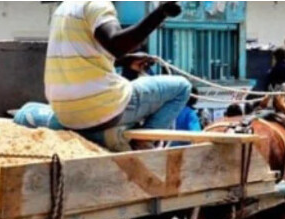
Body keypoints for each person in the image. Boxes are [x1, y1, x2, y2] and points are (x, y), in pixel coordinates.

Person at [44, 1, 191, 150]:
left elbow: (82, 57)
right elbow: (116, 45)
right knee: (181, 87)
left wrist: (125, 61)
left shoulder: (63, 9)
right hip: (98, 107)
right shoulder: (96, 4)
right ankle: (143, 142)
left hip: (64, 113)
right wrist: (160, 13)